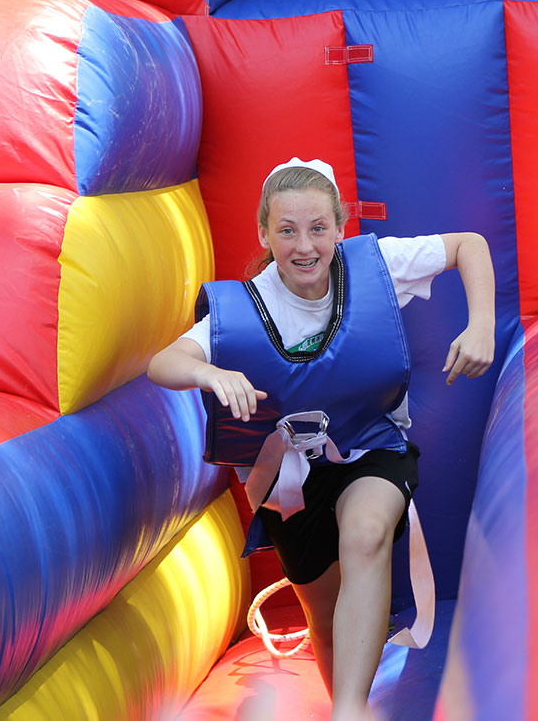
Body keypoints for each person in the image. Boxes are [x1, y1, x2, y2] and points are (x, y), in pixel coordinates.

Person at [147, 158, 495, 721]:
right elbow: (163, 362)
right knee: (325, 616)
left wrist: (480, 325)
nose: (304, 246)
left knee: (365, 532)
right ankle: (348, 704)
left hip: (370, 448)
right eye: (286, 230)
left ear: (339, 228)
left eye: (318, 228)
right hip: (290, 482)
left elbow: (469, 245)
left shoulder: (376, 266)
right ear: (264, 233)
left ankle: (351, 711)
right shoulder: (243, 308)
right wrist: (211, 373)